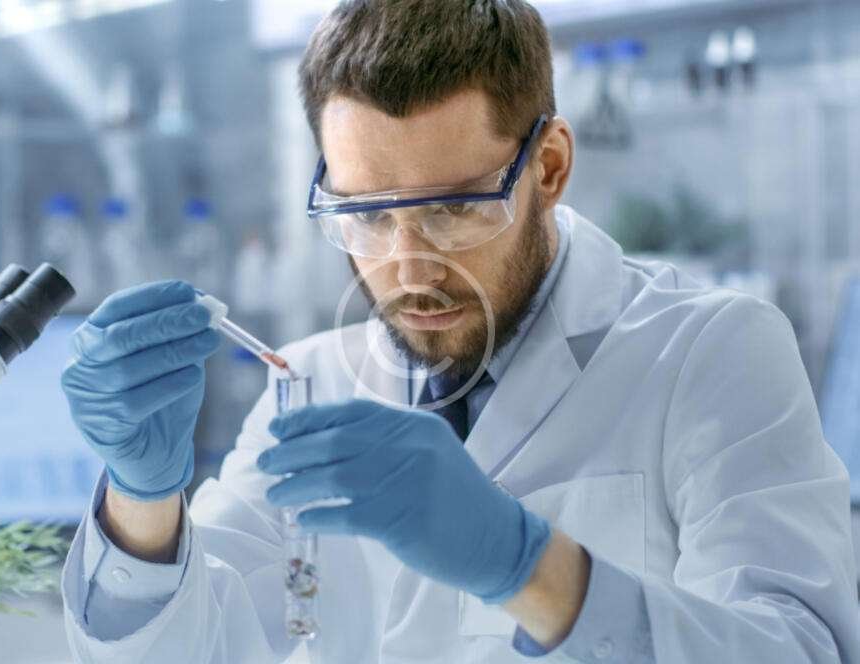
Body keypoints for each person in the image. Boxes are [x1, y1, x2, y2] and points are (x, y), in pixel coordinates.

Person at [59, 1, 860, 662]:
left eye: (452, 209)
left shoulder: (711, 353)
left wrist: (524, 563)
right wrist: (142, 502)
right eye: (364, 216)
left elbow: (798, 648)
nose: (408, 269)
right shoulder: (309, 385)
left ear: (547, 167)